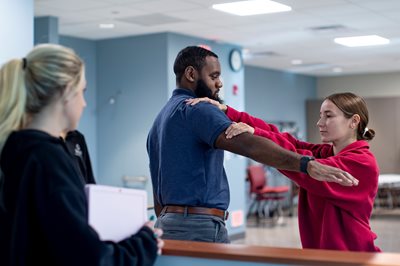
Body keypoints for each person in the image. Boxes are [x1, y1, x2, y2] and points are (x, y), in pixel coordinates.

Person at [146, 46, 358, 244]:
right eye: (214, 76)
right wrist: (306, 165)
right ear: (191, 74)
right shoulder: (198, 109)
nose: (219, 83)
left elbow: (157, 185)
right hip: (198, 228)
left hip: (167, 224)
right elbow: (249, 146)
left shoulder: (160, 120)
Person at [0, 44, 163, 266]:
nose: (84, 103)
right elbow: (90, 259)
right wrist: (146, 240)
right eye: (82, 92)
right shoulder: (48, 160)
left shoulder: (14, 150)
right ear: (67, 91)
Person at [186, 92, 380, 252]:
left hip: (352, 254)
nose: (319, 123)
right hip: (322, 254)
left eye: (328, 116)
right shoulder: (324, 153)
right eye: (320, 115)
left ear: (354, 121)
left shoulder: (362, 163)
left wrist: (257, 135)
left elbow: (296, 159)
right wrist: (229, 112)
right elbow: (288, 141)